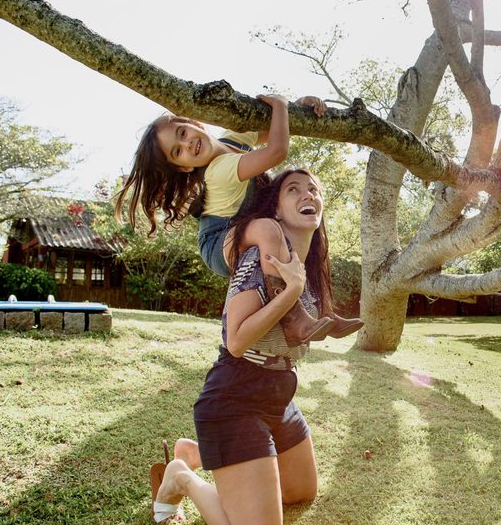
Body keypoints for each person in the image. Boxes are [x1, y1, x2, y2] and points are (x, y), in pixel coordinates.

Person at [149, 168, 344, 525]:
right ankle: (181, 477)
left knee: (300, 492)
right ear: (276, 209)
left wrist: (298, 286)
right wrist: (291, 292)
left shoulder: (308, 265)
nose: (308, 195)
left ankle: (198, 453)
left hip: (279, 394)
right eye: (294, 190)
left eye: (313, 189)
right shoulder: (259, 258)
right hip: (235, 397)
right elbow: (237, 341)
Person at [114, 94, 361, 343]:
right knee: (267, 229)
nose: (187, 144)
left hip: (244, 225)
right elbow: (277, 150)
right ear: (184, 167)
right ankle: (293, 316)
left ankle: (325, 309)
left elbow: (273, 129)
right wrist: (280, 104)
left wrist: (298, 107)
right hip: (218, 241)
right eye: (177, 152)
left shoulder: (233, 138)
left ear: (195, 123)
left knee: (310, 222)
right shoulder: (218, 171)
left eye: (183, 133)